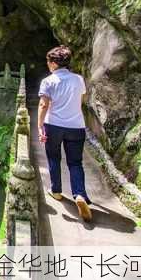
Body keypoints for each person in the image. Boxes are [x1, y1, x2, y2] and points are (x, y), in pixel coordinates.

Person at [38, 45, 92, 222]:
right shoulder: (78, 80)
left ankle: (56, 191)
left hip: (53, 125)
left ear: (53, 63)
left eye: (48, 61)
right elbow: (81, 99)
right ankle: (80, 195)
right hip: (76, 126)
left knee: (54, 159)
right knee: (75, 163)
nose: (47, 64)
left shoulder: (48, 81)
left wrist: (39, 127)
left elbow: (43, 105)